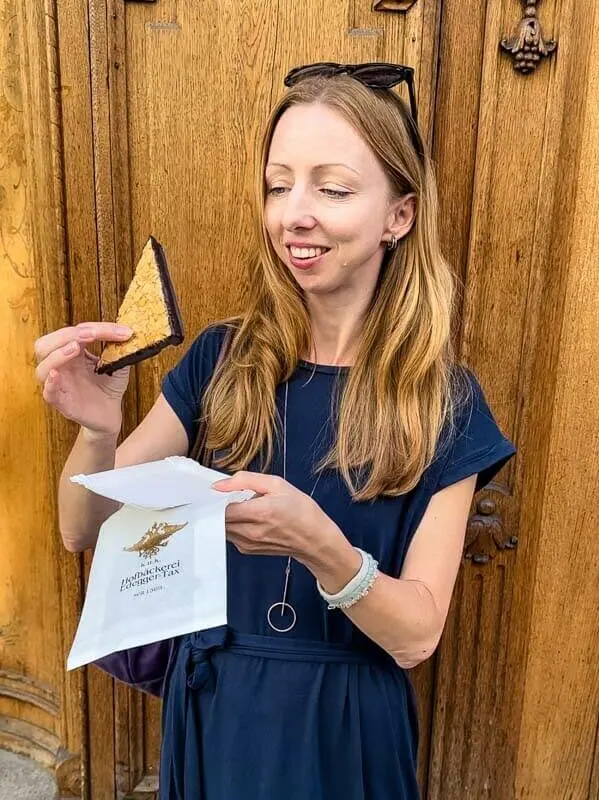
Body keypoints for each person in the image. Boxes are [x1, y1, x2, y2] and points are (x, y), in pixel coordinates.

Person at [34, 63, 516, 800]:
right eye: (278, 184)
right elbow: (81, 528)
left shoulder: (440, 401)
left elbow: (416, 635)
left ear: (400, 215)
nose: (294, 213)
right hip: (214, 712)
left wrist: (322, 548)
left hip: (346, 728)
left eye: (333, 188)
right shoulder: (223, 360)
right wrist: (99, 431)